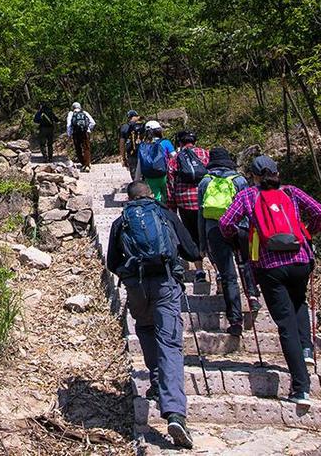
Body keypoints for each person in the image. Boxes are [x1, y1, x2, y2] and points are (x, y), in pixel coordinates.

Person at [218, 155, 321, 407]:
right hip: (300, 259)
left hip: (270, 265)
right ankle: (307, 350)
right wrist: (310, 231)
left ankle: (301, 387)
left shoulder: (248, 196)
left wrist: (236, 239)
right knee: (299, 303)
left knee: (285, 323)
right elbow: (320, 211)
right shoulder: (291, 192)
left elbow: (226, 222)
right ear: (277, 172)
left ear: (253, 176)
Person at [106, 181, 201, 449]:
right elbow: (191, 250)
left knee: (146, 330)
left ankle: (158, 382)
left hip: (137, 287)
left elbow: (112, 262)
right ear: (151, 195)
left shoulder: (121, 221)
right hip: (165, 284)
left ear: (129, 198)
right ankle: (174, 413)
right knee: (170, 344)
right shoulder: (164, 214)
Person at [196, 147, 259, 336]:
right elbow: (250, 208)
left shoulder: (205, 181)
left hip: (214, 230)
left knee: (228, 275)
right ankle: (253, 295)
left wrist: (202, 243)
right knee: (245, 264)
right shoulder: (240, 180)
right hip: (240, 228)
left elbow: (201, 214)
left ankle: (235, 321)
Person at [166, 130, 210, 283]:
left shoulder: (176, 158)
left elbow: (170, 183)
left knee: (192, 236)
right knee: (209, 236)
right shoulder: (205, 154)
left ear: (179, 143)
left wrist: (172, 206)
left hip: (185, 202)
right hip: (206, 202)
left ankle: (199, 272)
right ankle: (218, 272)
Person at [133, 120, 174, 202]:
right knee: (168, 198)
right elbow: (174, 157)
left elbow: (139, 165)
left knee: (155, 198)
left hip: (149, 177)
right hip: (164, 175)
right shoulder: (165, 142)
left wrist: (136, 181)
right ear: (159, 130)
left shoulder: (142, 146)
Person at [66, 102, 94, 172]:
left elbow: (68, 125)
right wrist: (88, 129)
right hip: (85, 133)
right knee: (86, 148)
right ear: (80, 107)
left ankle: (83, 163)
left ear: (73, 107)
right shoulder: (84, 113)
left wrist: (69, 135)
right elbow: (93, 122)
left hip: (76, 134)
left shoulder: (71, 114)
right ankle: (87, 164)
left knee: (78, 148)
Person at [119, 111, 145, 177]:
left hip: (132, 153)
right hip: (144, 153)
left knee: (134, 174)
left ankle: (136, 185)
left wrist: (123, 158)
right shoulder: (143, 125)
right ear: (136, 116)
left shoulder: (124, 127)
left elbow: (122, 144)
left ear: (128, 118)